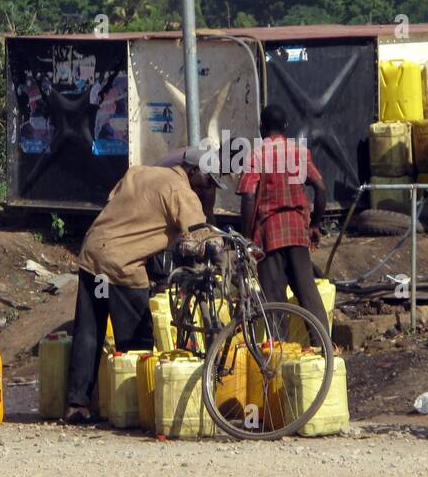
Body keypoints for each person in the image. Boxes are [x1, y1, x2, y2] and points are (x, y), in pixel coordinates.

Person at [63, 145, 224, 423]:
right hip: (122, 265)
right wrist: (223, 249)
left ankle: (76, 405)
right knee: (137, 338)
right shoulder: (181, 193)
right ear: (194, 171)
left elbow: (114, 198)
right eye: (208, 180)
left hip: (93, 254)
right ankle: (136, 407)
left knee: (90, 331)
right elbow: (202, 235)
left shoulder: (141, 172)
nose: (208, 186)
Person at [237, 105, 330, 335]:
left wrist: (247, 236)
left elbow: (249, 196)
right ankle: (325, 349)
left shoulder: (256, 155)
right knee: (308, 294)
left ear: (261, 127)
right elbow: (320, 187)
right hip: (297, 231)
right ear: (286, 126)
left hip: (268, 234)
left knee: (274, 300)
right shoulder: (299, 152)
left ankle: (279, 356)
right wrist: (316, 224)